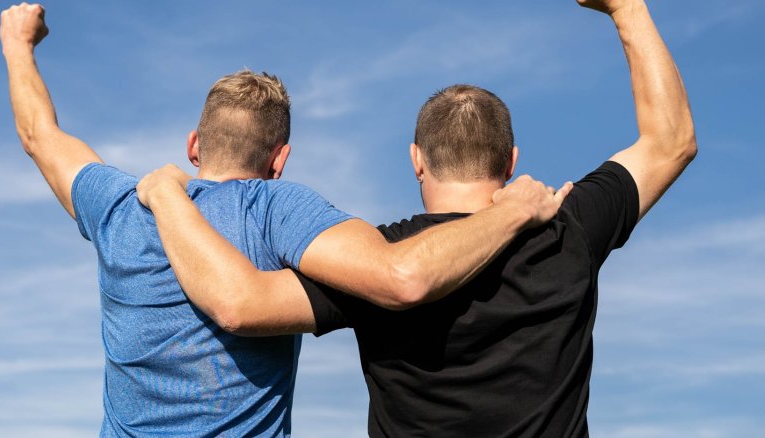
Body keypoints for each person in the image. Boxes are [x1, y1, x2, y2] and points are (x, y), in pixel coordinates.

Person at [0, 2, 572, 436]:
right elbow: (400, 273)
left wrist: (17, 44)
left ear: (195, 144)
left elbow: (39, 136)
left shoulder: (121, 204)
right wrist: (516, 210)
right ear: (280, 158)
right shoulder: (280, 209)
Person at [136, 0, 696, 436]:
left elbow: (240, 302)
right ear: (510, 161)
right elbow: (670, 142)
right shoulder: (566, 227)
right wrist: (627, 9)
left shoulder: (373, 265)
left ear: (416, 159)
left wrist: (168, 195)